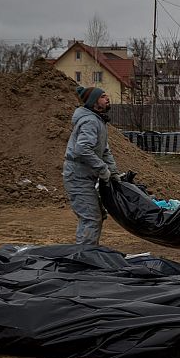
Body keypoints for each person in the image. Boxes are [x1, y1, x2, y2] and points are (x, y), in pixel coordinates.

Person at [63, 86, 120, 245]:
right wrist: (103, 169)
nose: (107, 98)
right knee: (91, 218)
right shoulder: (90, 121)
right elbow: (82, 149)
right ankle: (84, 258)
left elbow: (105, 150)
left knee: (96, 215)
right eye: (102, 96)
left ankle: (87, 253)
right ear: (94, 103)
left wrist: (113, 173)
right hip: (77, 177)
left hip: (85, 177)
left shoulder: (98, 120)